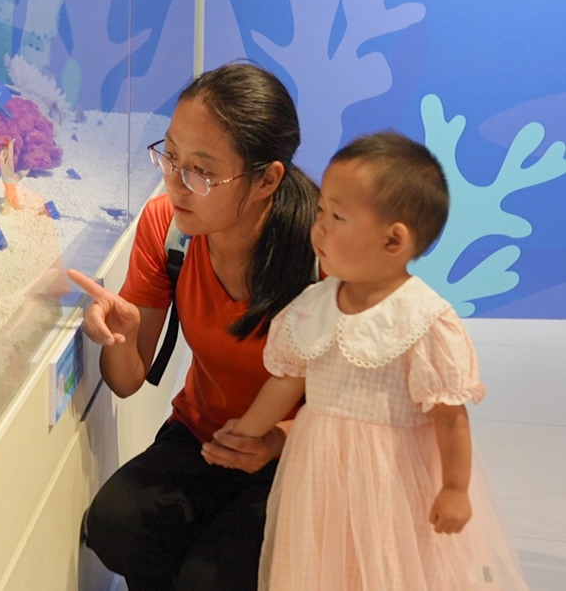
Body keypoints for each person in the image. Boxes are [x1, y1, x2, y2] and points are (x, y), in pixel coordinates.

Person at [208, 132, 528, 590]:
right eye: (322, 210)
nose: (319, 227)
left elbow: (449, 415)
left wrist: (455, 488)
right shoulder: (314, 305)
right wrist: (247, 431)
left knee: (386, 567)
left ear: (393, 240)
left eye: (337, 216)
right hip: (318, 472)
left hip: (391, 477)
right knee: (319, 565)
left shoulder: (422, 319)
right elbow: (287, 380)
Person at [67, 62, 319, 591]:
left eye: (201, 171)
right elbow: (127, 380)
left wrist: (276, 440)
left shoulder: (323, 255)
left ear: (267, 179)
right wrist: (118, 335)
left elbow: (366, 413)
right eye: (171, 157)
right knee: (114, 525)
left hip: (295, 453)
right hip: (202, 438)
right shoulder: (167, 228)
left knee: (210, 577)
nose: (176, 184)